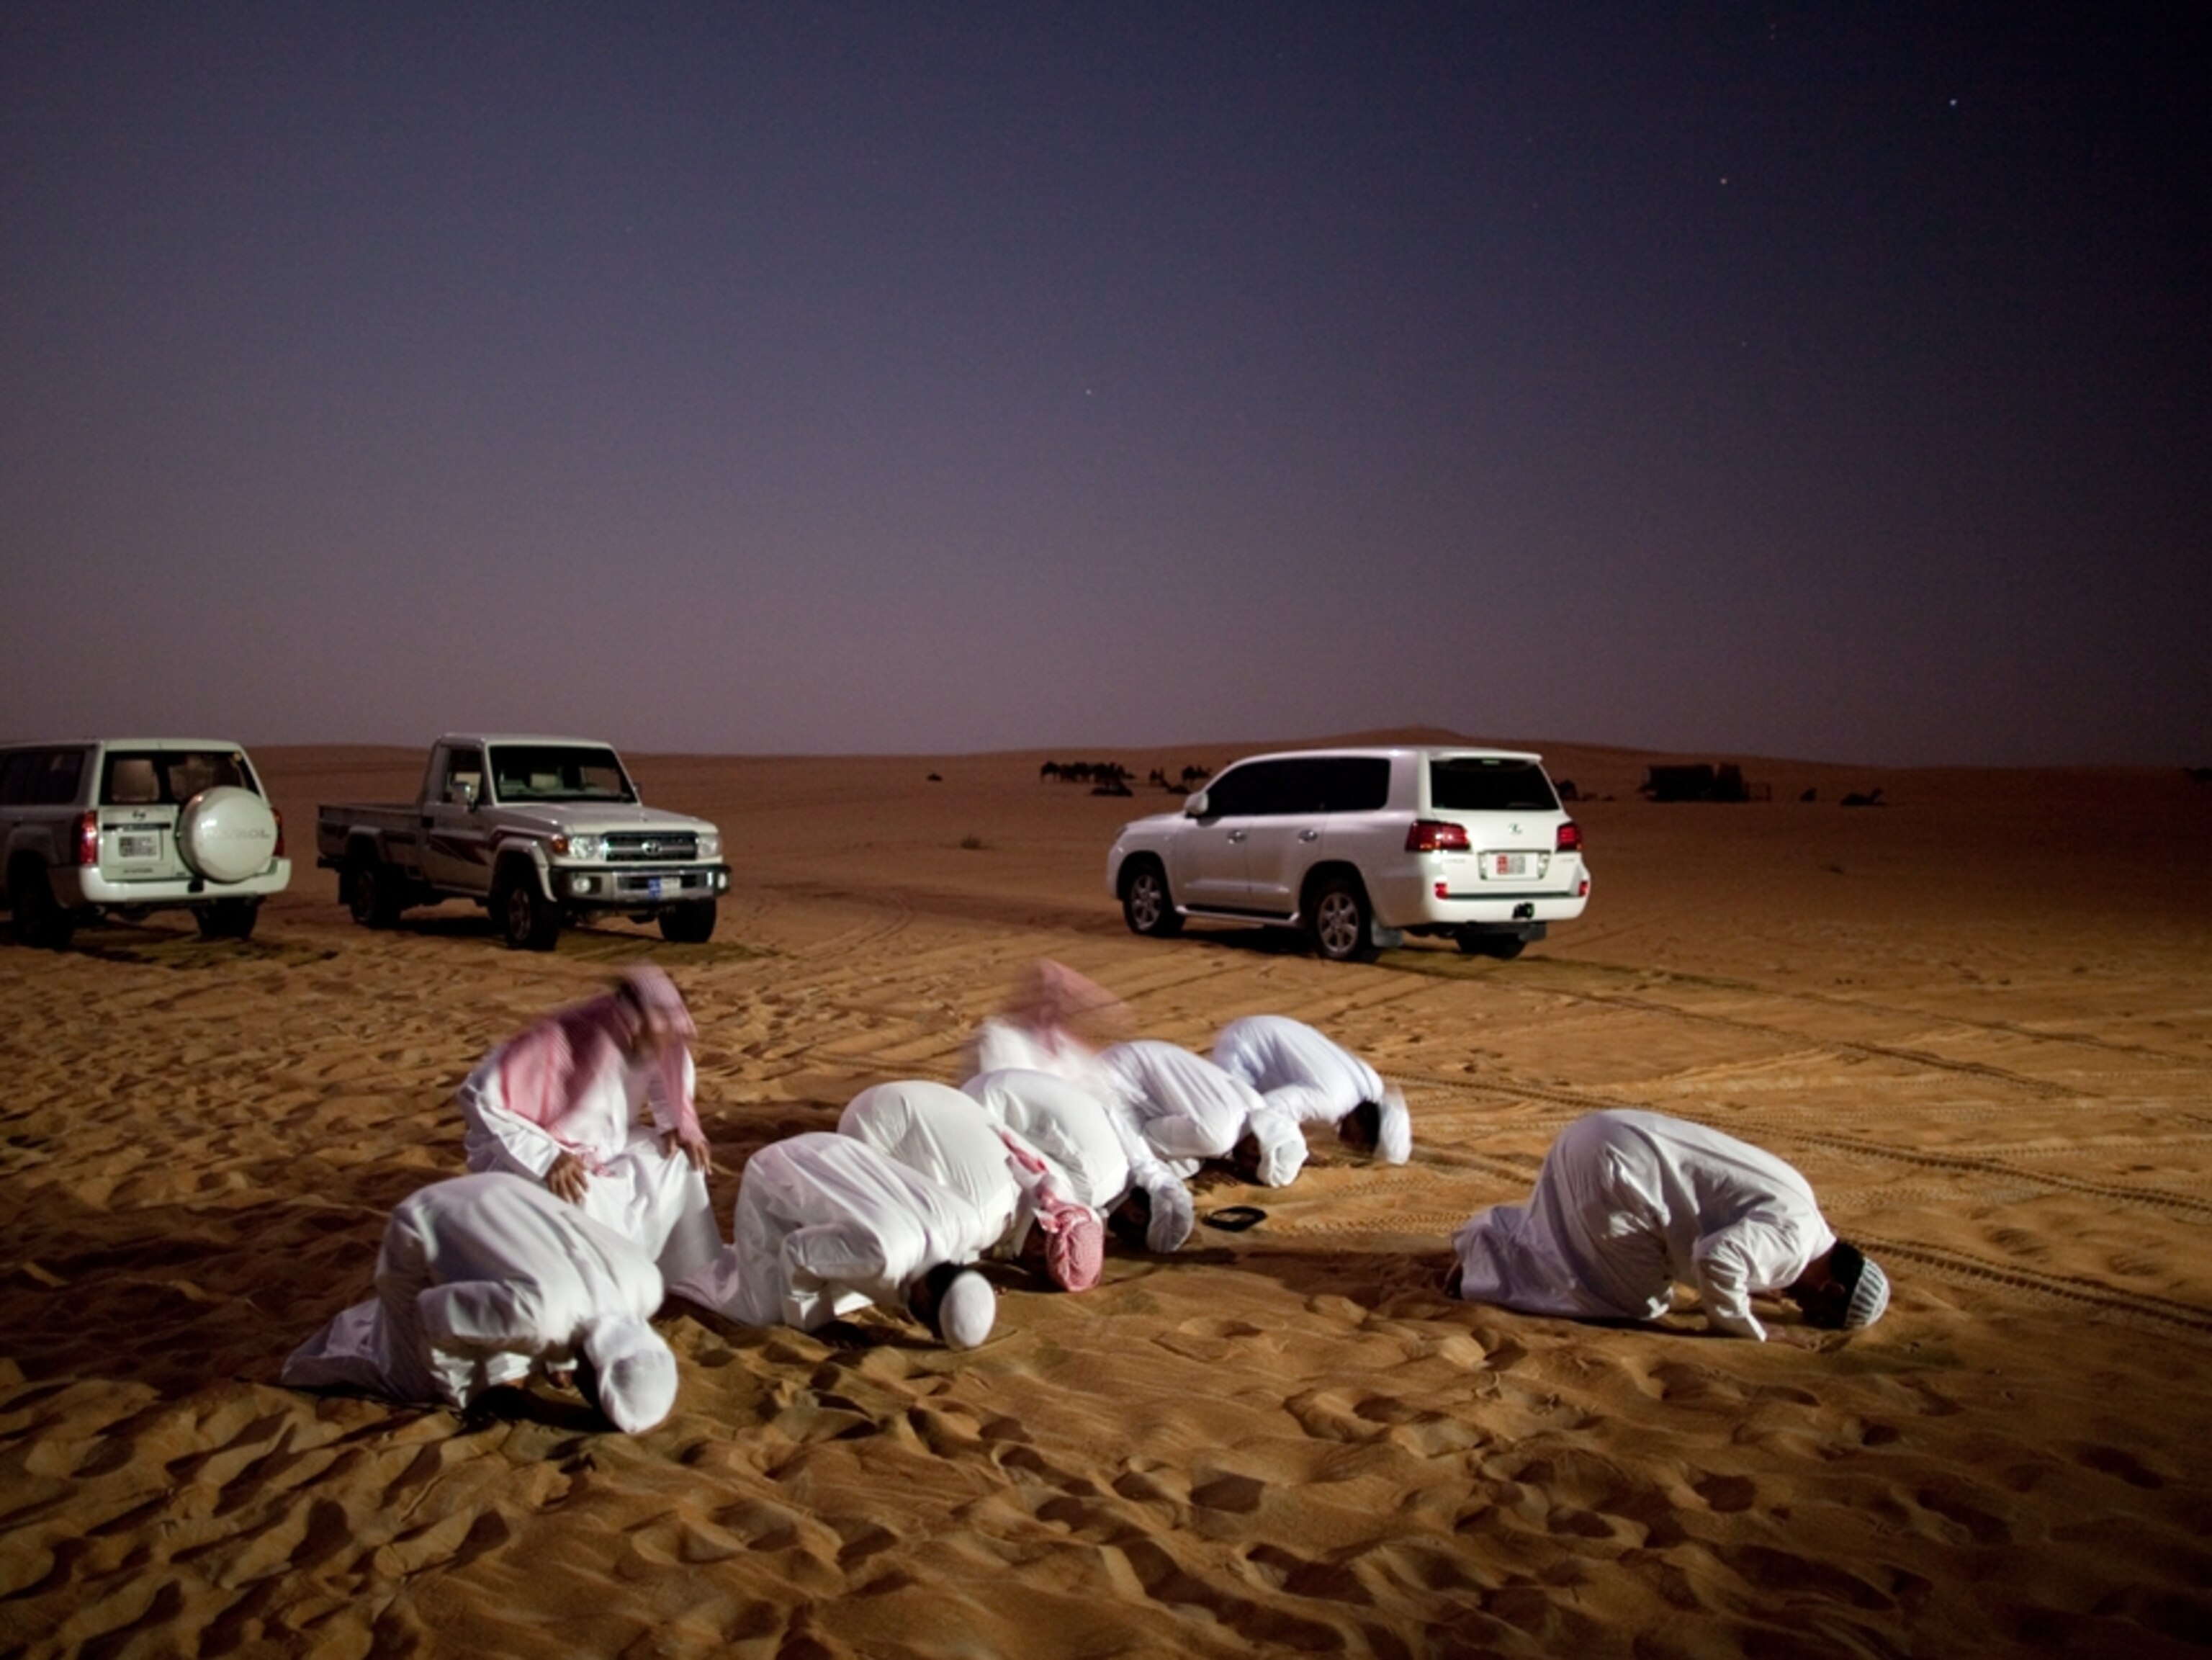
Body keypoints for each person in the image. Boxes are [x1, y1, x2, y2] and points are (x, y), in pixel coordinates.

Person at [282, 1172, 678, 1433]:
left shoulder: (646, 1285)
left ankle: (472, 1316)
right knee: (412, 1383)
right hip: (426, 1220)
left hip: (510, 1199)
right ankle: (328, 1353)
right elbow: (431, 1313)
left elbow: (578, 1278)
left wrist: (558, 1360)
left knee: (503, 1342)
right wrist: (463, 1394)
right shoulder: (537, 1317)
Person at [1447, 1109, 1891, 1341]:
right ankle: (1487, 1259)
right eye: (1814, 1311)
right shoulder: (1795, 1245)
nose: (1797, 1308)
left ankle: (1493, 1238)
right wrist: (1744, 1327)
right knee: (1636, 1303)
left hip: (1598, 1133)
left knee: (1571, 1240)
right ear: (1831, 1289)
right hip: (1617, 1172)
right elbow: (1714, 1257)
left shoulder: (1804, 1203)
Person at [457, 966, 719, 1285]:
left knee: (681, 1162)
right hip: (533, 1147)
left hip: (607, 1144)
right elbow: (479, 1096)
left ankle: (684, 1274)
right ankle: (602, 1289)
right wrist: (547, 1157)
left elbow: (665, 1078)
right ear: (634, 1021)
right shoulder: (566, 1036)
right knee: (578, 1196)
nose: (667, 1035)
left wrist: (676, 1126)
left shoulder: (652, 1037)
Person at [672, 1133, 999, 1349]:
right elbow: (796, 1251)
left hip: (837, 1151)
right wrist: (818, 1324)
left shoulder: (967, 1223)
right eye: (928, 1320)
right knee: (765, 1313)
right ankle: (683, 1267)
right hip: (779, 1172)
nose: (919, 1324)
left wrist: (972, 1292)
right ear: (927, 1293)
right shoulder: (882, 1255)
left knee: (853, 1286)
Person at [837, 1079, 1104, 1293]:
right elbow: (927, 1252)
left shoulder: (1054, 1181)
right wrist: (965, 1282)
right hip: (873, 1123)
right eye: (1036, 1271)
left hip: (927, 1092)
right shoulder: (985, 1219)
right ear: (1036, 1250)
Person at [963, 1066, 1195, 1255]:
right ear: (1138, 1215)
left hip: (996, 1083)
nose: (1116, 1238)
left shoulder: (1124, 1163)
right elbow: (1027, 1171)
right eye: (1132, 1239)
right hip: (986, 1105)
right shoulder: (1094, 1189)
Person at [1098, 1039, 1310, 1188]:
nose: (1238, 1169)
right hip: (1112, 1081)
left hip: (1133, 1058)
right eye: (1248, 1171)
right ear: (1256, 1150)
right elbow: (1144, 1139)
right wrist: (1204, 1157)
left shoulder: (1255, 1105)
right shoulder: (1219, 1138)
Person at [1210, 1014, 1413, 1165]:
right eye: (1363, 1145)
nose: (1354, 1146)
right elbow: (1271, 1107)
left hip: (1269, 1028)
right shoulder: (1332, 1103)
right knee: (1225, 1132)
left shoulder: (1371, 1084)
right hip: (1244, 1048)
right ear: (1366, 1129)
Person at [963, 960, 1128, 1096]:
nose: (1053, 1000)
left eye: (1060, 994)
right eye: (1041, 991)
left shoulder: (1068, 1048)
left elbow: (1104, 1093)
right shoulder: (997, 1039)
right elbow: (1008, 1095)